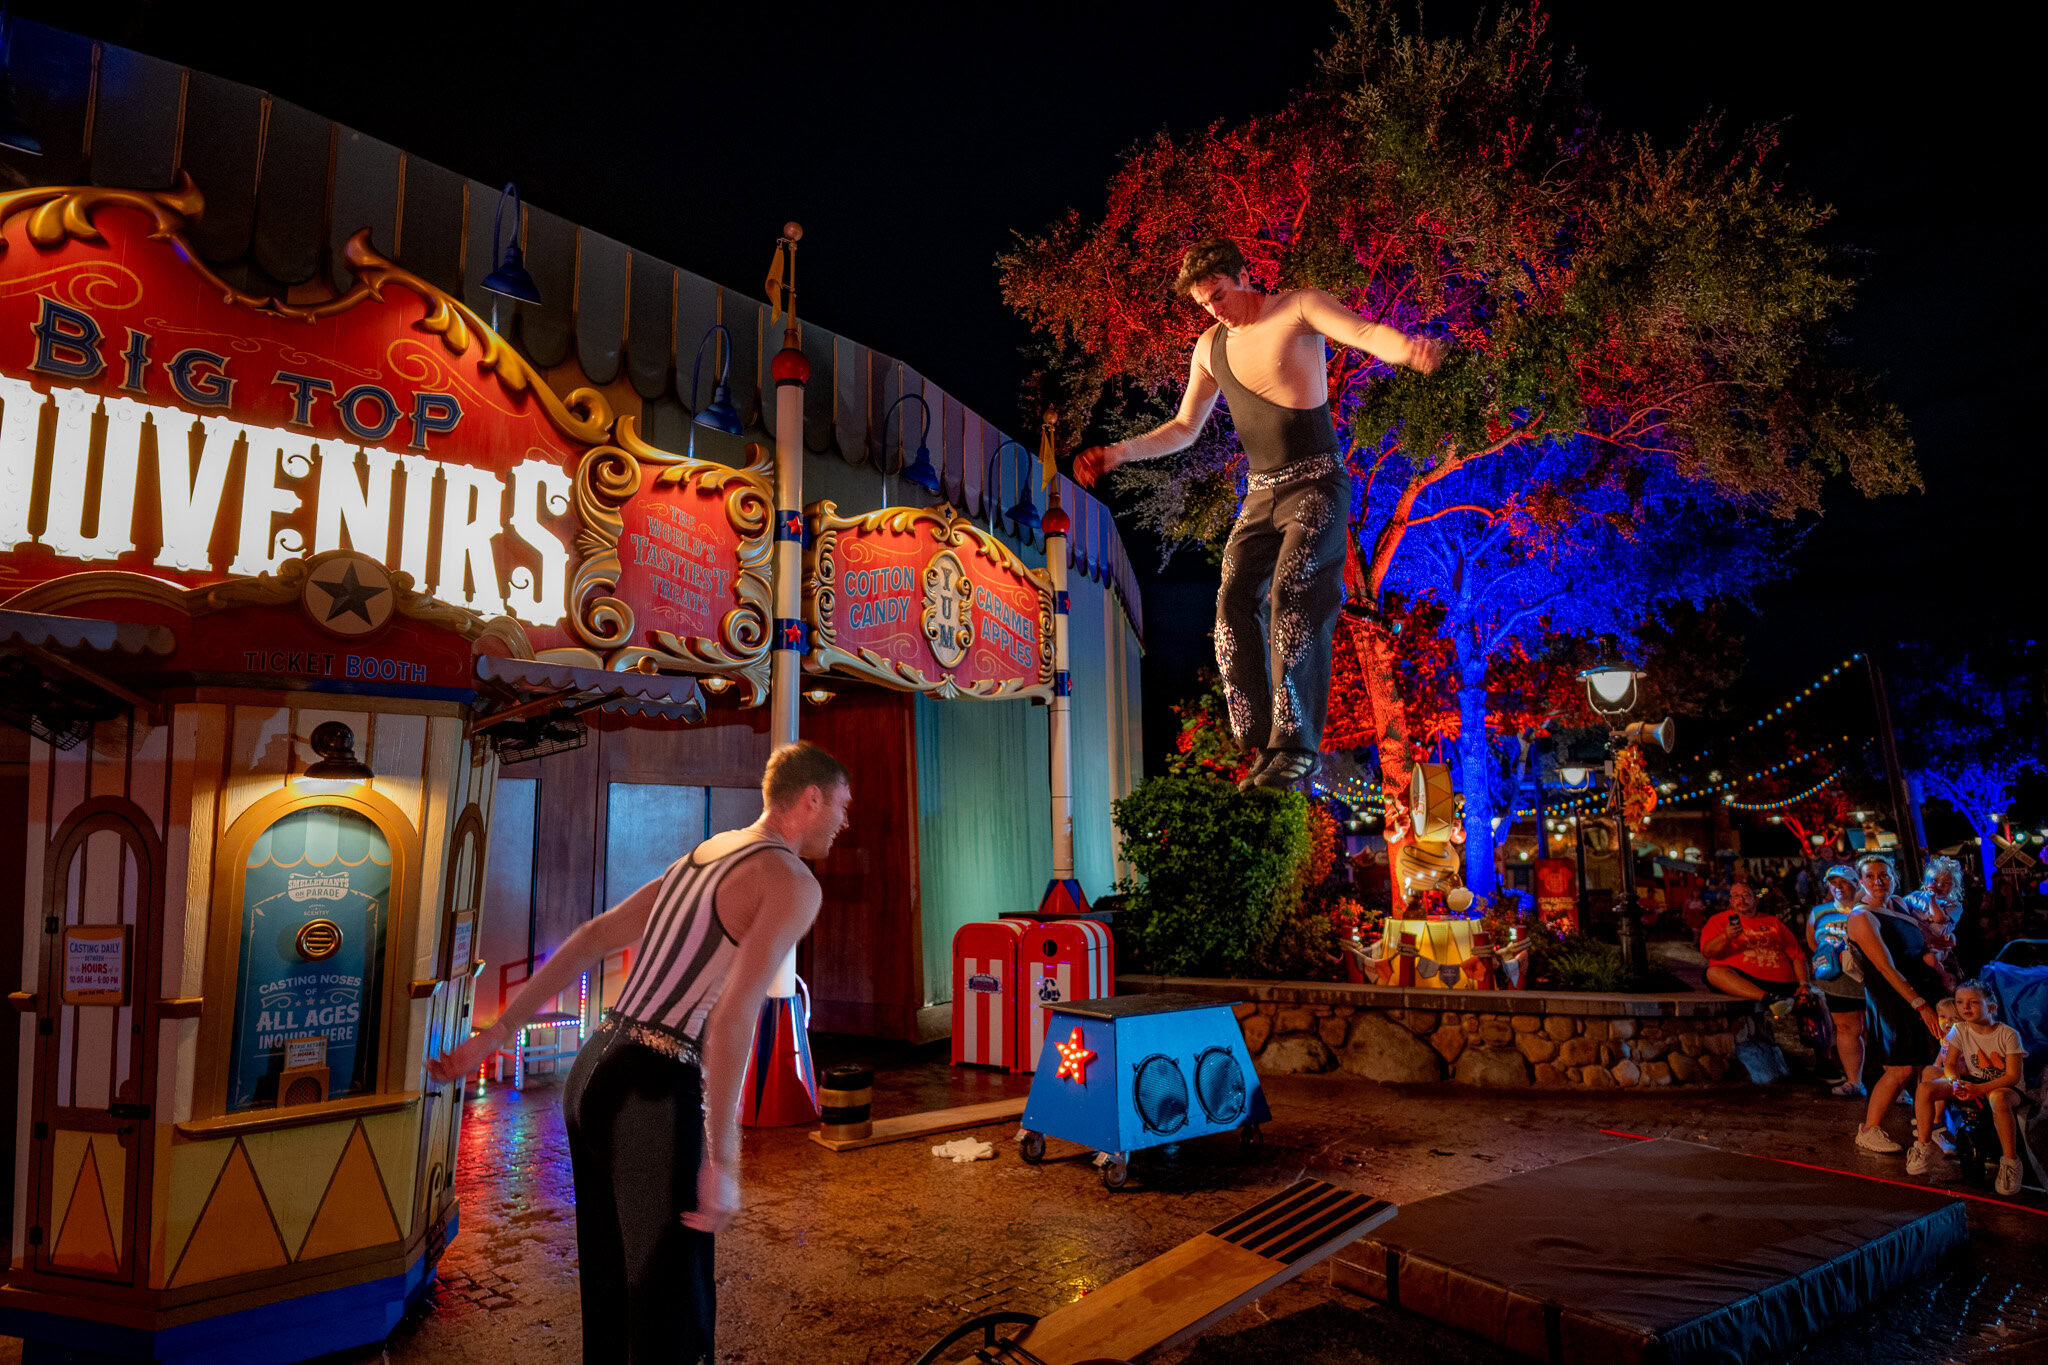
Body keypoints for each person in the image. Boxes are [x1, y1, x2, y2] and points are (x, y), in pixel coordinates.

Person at [428, 741, 852, 1364]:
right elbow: (732, 1018)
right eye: (841, 806)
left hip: (594, 1072)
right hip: (652, 1088)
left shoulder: (702, 856)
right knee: (668, 1304)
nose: (843, 822)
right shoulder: (790, 880)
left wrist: (494, 1037)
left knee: (610, 1281)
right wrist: (723, 1161)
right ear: (809, 798)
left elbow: (591, 937)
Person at [1074, 238, 1444, 789]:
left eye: (1220, 296)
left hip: (1317, 480)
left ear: (1244, 275)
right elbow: (1183, 428)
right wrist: (1118, 452)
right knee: (1230, 605)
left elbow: (1363, 334)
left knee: (1295, 594)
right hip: (1261, 495)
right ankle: (1261, 744)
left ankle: (1298, 745)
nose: (1216, 310)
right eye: (1204, 305)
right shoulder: (1209, 347)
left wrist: (1407, 350)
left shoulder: (1298, 307)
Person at [1845, 854, 1949, 1155]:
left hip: (1921, 989)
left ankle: (1931, 1126)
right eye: (1871, 876)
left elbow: (1923, 939)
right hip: (1894, 996)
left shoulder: (1901, 906)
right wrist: (1920, 1005)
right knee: (1900, 1068)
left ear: (1894, 877)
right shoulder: (1862, 916)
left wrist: (1938, 944)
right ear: (1861, 881)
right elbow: (1886, 968)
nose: (1878, 881)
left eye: (1884, 875)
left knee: (1929, 1064)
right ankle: (1869, 1128)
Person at [1906, 980, 2031, 1195]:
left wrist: (1979, 1089)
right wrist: (1955, 1082)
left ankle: (2010, 1162)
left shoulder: (2008, 1034)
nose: (1965, 1007)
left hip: (2006, 1087)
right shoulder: (1959, 1030)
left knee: (1998, 1099)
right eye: (1960, 1002)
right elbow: (1950, 1065)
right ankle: (1925, 1147)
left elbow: (2012, 1076)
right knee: (1926, 1088)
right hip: (1975, 1082)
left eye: (1973, 1002)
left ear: (1991, 1007)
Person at [1807, 864, 1869, 1097]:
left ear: (1856, 883)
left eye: (1843, 882)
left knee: (1872, 1030)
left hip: (1868, 978)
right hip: (1838, 980)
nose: (1838, 887)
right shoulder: (1820, 912)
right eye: (1833, 883)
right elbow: (1813, 942)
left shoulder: (1867, 908)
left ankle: (1889, 1081)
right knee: (1846, 1028)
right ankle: (1854, 1081)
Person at [1700, 882, 1814, 1004]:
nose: (1741, 900)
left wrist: (1804, 984)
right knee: (1713, 973)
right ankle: (1767, 998)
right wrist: (1725, 936)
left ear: (1755, 900)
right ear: (1731, 901)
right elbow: (1708, 952)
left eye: (1746, 895)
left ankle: (1776, 997)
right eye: (1736, 896)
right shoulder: (1718, 921)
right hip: (1744, 980)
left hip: (1781, 982)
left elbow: (1798, 956)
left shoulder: (1773, 922)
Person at [1903, 855, 1965, 989]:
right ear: (1926, 882)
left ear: (1954, 886)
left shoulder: (1953, 905)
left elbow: (1939, 919)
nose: (1939, 885)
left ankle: (1945, 977)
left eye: (1946, 883)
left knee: (1930, 960)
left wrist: (1932, 900)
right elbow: (1900, 908)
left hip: (1936, 946)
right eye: (1935, 880)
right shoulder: (1915, 897)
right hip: (1917, 942)